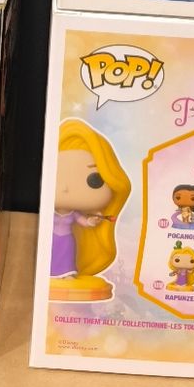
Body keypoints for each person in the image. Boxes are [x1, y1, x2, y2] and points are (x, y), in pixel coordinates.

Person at [51, 119, 130, 295]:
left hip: (67, 239)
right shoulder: (48, 213)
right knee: (52, 253)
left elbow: (84, 222)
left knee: (67, 255)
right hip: (52, 239)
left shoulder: (73, 214)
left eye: (93, 180)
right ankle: (51, 272)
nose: (65, 188)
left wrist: (92, 221)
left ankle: (66, 274)